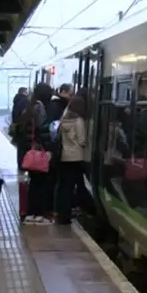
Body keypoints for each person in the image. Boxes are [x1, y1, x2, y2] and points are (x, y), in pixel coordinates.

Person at [14, 83, 55, 225]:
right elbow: (43, 130)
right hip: (38, 152)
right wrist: (49, 149)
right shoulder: (40, 108)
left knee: (33, 184)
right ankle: (39, 215)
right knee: (41, 184)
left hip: (29, 152)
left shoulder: (28, 107)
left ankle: (30, 214)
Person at [55, 96, 87, 225]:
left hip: (63, 156)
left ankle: (60, 212)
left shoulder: (64, 119)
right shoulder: (78, 121)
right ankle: (66, 216)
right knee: (70, 187)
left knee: (63, 186)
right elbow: (82, 140)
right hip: (75, 157)